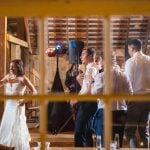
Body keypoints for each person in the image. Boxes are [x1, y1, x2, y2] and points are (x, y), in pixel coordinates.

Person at [91, 52, 132, 147]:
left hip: (105, 111)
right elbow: (130, 93)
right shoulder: (124, 75)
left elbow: (94, 94)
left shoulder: (100, 76)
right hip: (121, 112)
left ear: (103, 60)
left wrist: (92, 82)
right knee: (117, 142)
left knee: (103, 143)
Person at [0, 59, 37, 150]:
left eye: (13, 66)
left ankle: (20, 147)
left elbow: (34, 92)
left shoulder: (24, 79)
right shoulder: (8, 76)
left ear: (19, 67)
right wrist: (5, 81)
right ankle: (10, 146)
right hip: (9, 106)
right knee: (8, 126)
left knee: (18, 126)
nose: (11, 68)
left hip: (18, 106)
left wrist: (24, 101)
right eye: (10, 67)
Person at [124, 39, 150, 148]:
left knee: (130, 131)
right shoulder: (149, 59)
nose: (129, 51)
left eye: (129, 49)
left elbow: (128, 82)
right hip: (148, 98)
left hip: (136, 99)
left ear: (132, 48)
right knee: (144, 130)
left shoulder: (130, 62)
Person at [70, 47, 97, 147]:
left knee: (78, 132)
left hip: (87, 103)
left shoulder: (91, 69)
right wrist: (79, 80)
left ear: (90, 56)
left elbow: (90, 91)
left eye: (83, 54)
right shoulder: (91, 68)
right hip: (89, 103)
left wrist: (77, 99)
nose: (81, 56)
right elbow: (87, 87)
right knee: (86, 132)